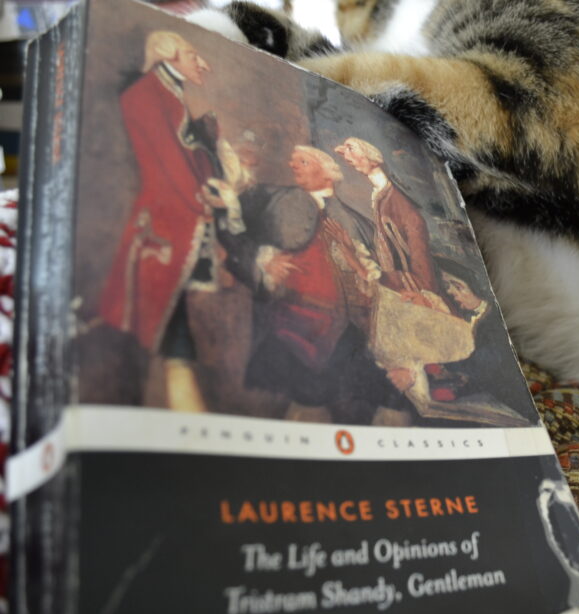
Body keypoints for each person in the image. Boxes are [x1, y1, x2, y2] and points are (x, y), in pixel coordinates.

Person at [214, 145, 392, 422]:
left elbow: (371, 272)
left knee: (355, 395)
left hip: (346, 327)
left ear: (328, 174)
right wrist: (262, 261)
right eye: (292, 160)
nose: (292, 165)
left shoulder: (354, 220)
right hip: (292, 322)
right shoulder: (275, 200)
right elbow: (236, 232)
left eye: (303, 161)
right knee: (305, 398)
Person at [99, 30, 219, 412]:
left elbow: (185, 157)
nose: (204, 64)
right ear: (168, 56)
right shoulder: (147, 94)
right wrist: (203, 200)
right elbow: (169, 162)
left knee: (169, 324)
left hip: (177, 219)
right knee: (161, 325)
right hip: (166, 225)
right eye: (193, 54)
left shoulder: (169, 94)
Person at [386, 258, 537, 423]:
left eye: (457, 286)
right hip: (478, 389)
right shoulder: (463, 316)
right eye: (448, 286)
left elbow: (483, 363)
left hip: (513, 401)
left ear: (475, 287)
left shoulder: (495, 321)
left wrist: (441, 363)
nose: (451, 292)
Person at [333, 137, 443, 305]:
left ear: (374, 159)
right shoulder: (380, 197)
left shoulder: (402, 208)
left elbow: (426, 282)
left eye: (352, 149)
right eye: (346, 152)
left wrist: (363, 268)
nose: (348, 159)